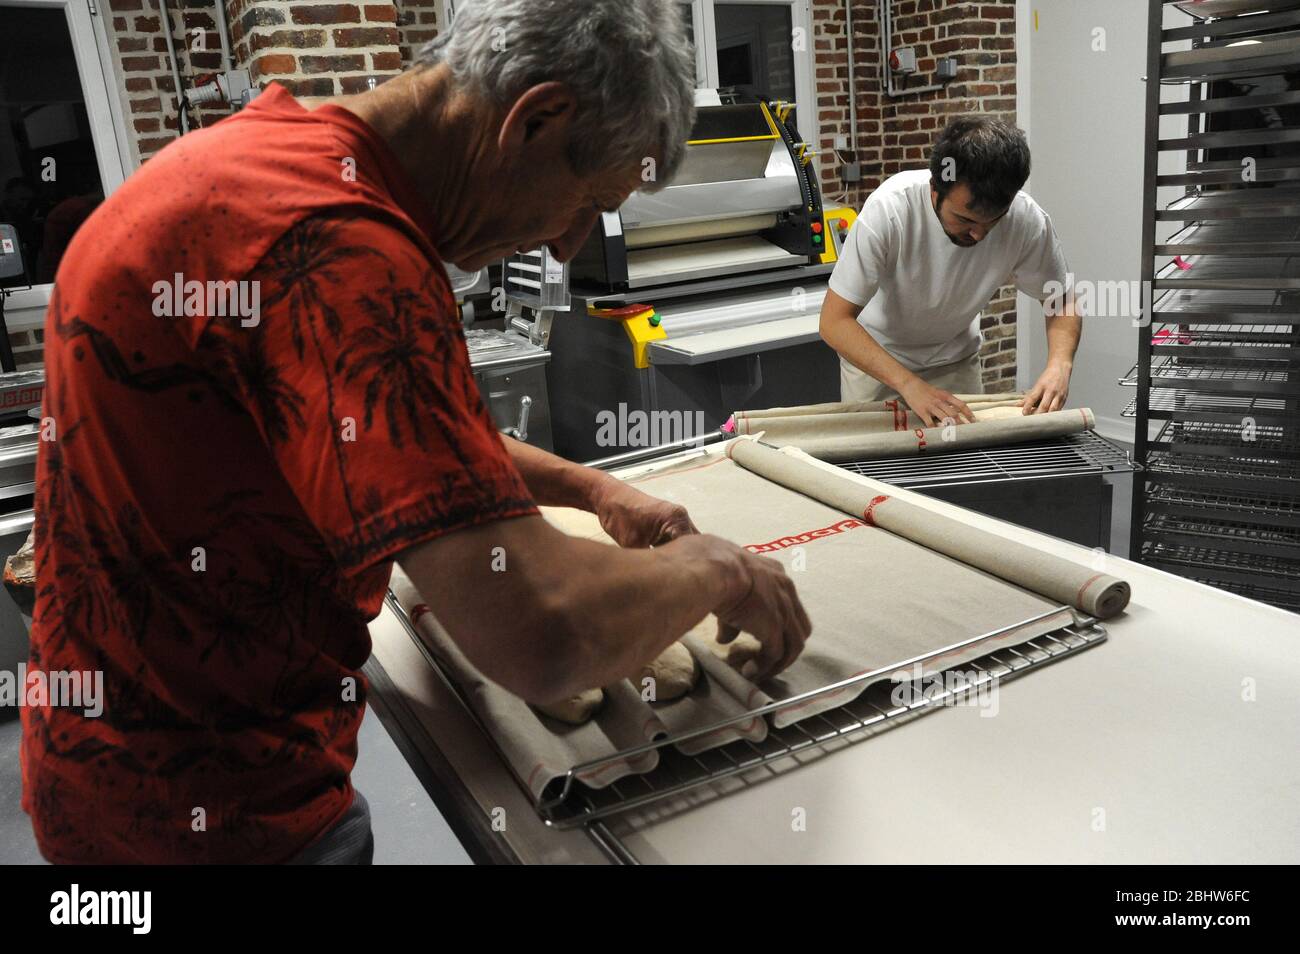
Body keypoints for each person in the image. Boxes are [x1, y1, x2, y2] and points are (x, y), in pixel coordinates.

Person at [25, 0, 811, 864]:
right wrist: (715, 569)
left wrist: (594, 489)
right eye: (588, 201)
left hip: (111, 768)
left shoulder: (268, 159)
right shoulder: (335, 243)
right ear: (535, 118)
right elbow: (540, 632)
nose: (564, 246)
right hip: (218, 816)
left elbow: (376, 435)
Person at [819, 116, 1081, 426]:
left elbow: (1061, 299)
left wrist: (1059, 365)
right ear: (935, 189)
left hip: (955, 362)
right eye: (966, 220)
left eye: (993, 221)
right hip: (876, 364)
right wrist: (910, 385)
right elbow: (834, 322)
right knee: (878, 468)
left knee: (964, 462)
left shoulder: (1025, 219)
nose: (979, 235)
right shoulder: (889, 211)